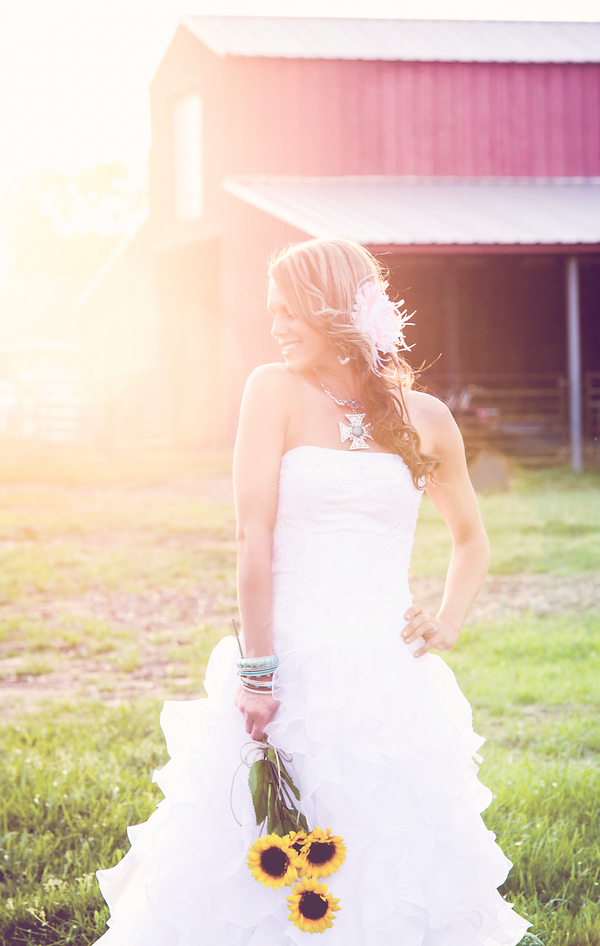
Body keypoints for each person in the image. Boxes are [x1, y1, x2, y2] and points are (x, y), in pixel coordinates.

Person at [96, 238, 529, 945]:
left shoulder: (426, 418)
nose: (276, 327)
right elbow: (253, 536)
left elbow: (471, 540)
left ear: (332, 309)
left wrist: (449, 620)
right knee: (260, 852)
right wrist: (258, 674)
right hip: (288, 661)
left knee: (386, 850)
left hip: (388, 671)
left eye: (288, 311)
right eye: (271, 312)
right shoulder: (273, 390)